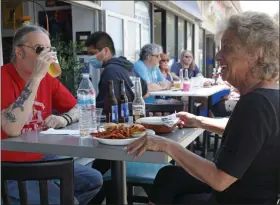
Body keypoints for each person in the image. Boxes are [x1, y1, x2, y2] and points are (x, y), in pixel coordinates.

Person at [125, 11, 279, 204]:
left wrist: (165, 145)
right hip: (251, 192)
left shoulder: (256, 104)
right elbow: (249, 137)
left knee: (171, 184)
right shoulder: (270, 96)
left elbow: (219, 179)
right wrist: (198, 121)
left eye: (227, 48)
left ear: (256, 54)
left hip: (234, 197)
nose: (217, 56)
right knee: (169, 177)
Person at [1, 25, 103, 205]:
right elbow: (11, 128)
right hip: (9, 165)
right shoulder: (4, 78)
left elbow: (81, 107)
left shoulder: (48, 80)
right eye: (39, 49)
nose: (45, 56)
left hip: (42, 158)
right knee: (69, 201)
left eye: (48, 49)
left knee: (92, 180)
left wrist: (65, 118)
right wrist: (36, 78)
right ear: (19, 52)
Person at [84, 31, 148, 111]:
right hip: (133, 117)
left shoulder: (110, 71)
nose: (90, 58)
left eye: (92, 53)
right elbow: (145, 91)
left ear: (106, 51)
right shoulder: (127, 67)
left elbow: (105, 107)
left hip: (117, 120)